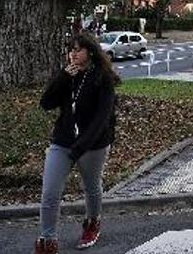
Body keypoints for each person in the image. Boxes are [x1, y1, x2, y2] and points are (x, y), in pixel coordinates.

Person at [34, 32, 120, 254]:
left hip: (92, 144)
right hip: (62, 142)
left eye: (77, 49)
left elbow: (102, 118)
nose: (72, 54)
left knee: (91, 186)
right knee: (50, 192)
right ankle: (47, 240)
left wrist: (81, 147)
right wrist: (62, 77)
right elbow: (46, 103)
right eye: (70, 49)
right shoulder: (68, 75)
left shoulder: (103, 78)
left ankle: (92, 222)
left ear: (89, 52)